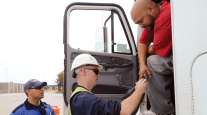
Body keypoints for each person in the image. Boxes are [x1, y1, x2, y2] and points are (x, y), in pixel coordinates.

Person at [131, 0, 175, 115]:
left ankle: (164, 112)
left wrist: (149, 50)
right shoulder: (154, 17)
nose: (141, 25)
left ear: (150, 9)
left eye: (140, 21)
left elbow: (156, 50)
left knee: (152, 62)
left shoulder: (164, 16)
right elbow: (142, 43)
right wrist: (142, 65)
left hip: (181, 57)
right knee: (147, 63)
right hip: (173, 56)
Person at [69, 53, 148, 115]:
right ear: (83, 71)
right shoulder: (84, 99)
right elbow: (124, 111)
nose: (98, 75)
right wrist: (139, 90)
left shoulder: (79, 97)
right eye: (96, 71)